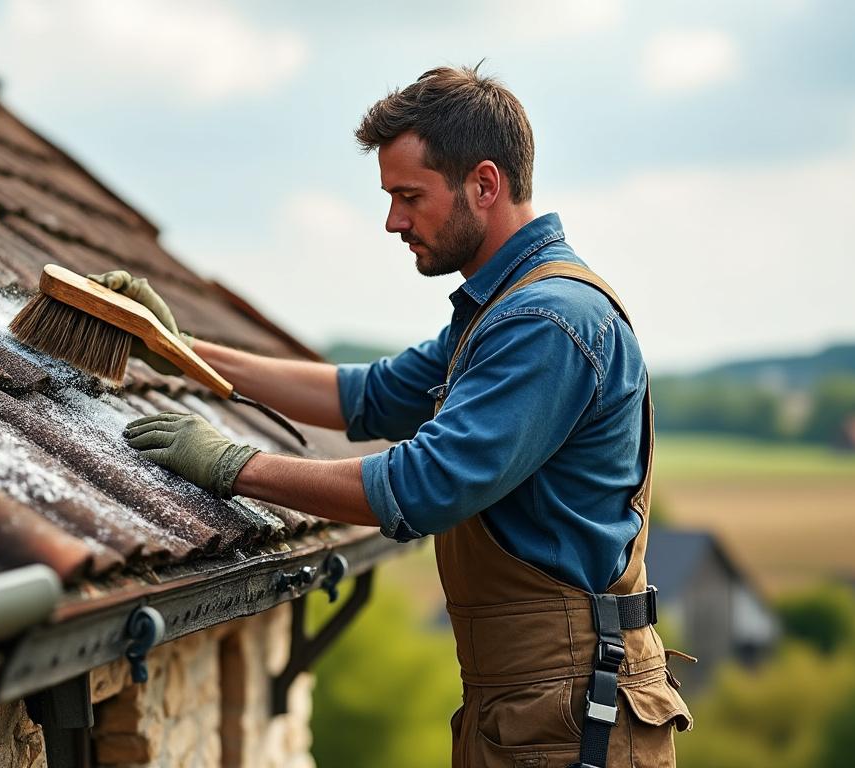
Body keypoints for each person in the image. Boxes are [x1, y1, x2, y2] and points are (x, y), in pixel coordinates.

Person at [96, 65, 692, 768]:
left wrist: (233, 467)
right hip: (530, 703)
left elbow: (420, 487)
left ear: (485, 184)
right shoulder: (505, 309)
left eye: (410, 196)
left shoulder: (546, 322)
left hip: (564, 711)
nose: (393, 221)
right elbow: (368, 396)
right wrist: (184, 353)